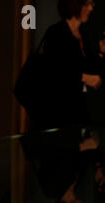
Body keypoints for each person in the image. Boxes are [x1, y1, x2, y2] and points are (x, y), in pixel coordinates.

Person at [33, 0, 104, 130]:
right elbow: (53, 70)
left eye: (92, 4)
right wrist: (83, 77)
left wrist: (101, 53)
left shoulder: (83, 34)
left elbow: (89, 65)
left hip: (79, 110)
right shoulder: (56, 32)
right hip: (58, 112)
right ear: (75, 5)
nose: (90, 9)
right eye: (87, 4)